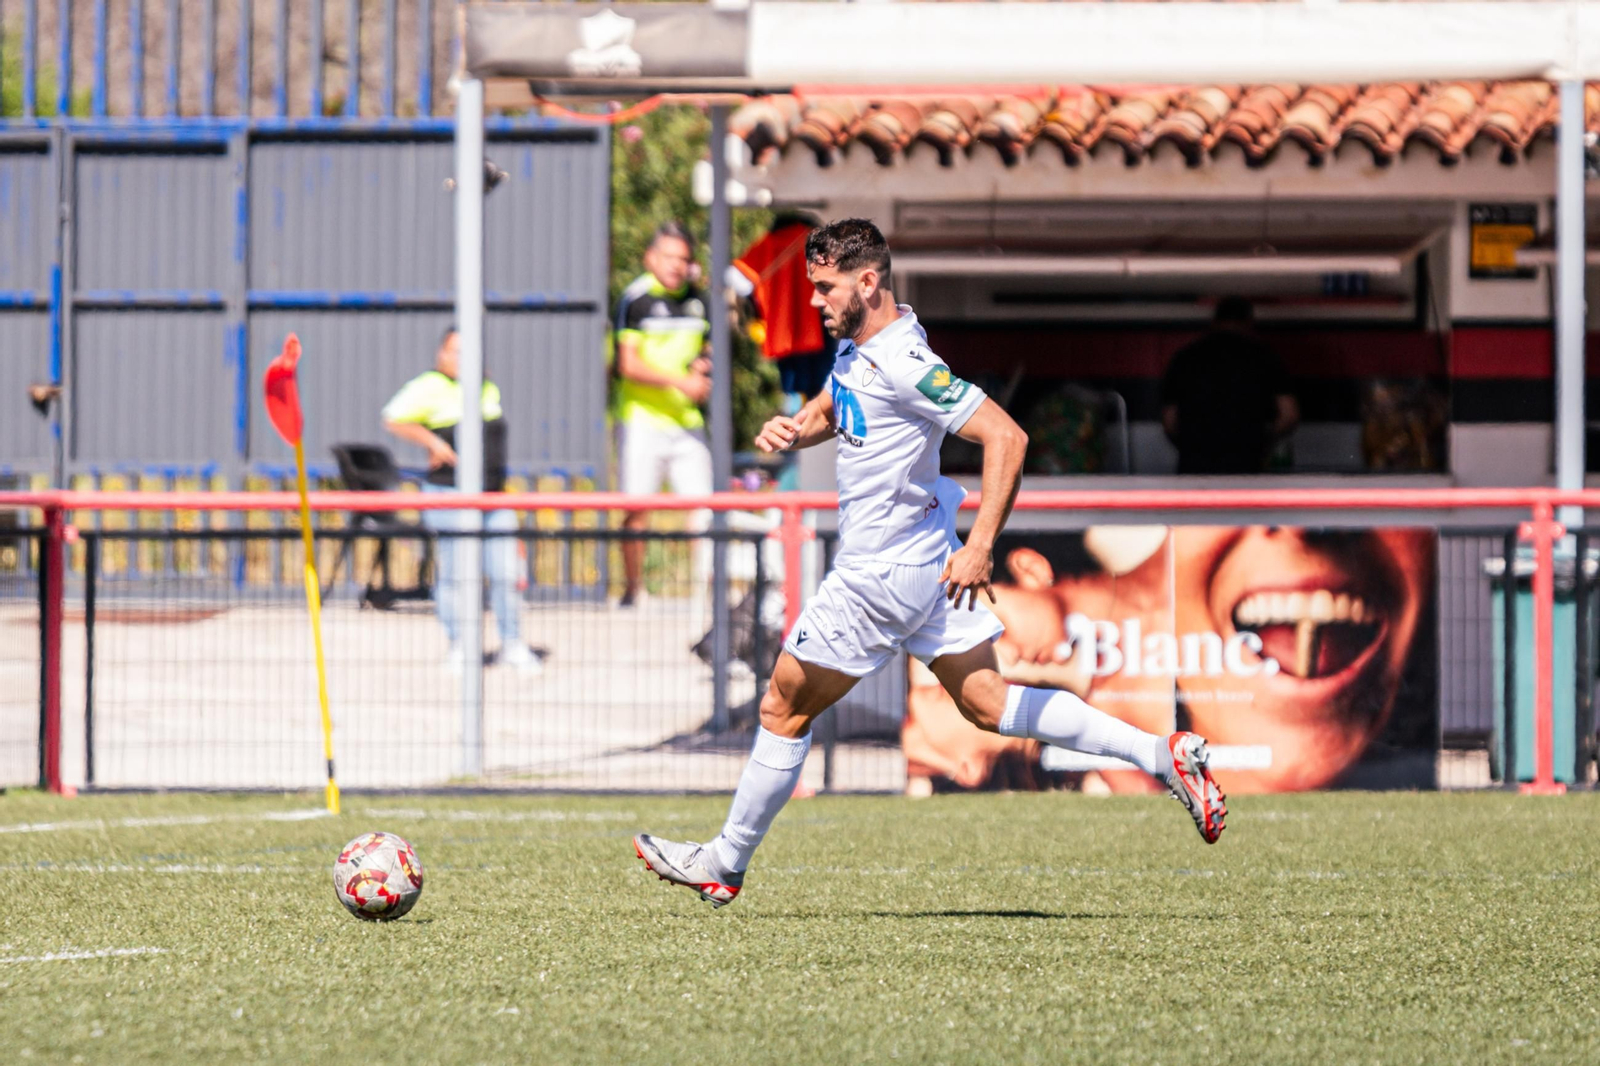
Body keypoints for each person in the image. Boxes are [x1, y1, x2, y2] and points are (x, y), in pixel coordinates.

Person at [632, 219, 1228, 908]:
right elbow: (841, 401)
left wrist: (981, 546)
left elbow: (1008, 436)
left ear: (867, 282)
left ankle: (725, 862)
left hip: (882, 575)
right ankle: (1165, 755)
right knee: (989, 703)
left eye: (825, 289)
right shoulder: (864, 345)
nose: (816, 302)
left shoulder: (907, 363)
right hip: (923, 565)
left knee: (782, 704)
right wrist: (798, 426)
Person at [381, 326, 541, 673]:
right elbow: (393, 418)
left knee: (506, 571)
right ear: (442, 354)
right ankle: (460, 645)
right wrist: (433, 443)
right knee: (455, 573)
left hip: (493, 494)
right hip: (450, 493)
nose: (462, 359)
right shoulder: (430, 386)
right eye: (455, 352)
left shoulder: (486, 386)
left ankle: (511, 642)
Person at [613, 222, 713, 608]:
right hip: (643, 421)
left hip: (687, 423)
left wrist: (703, 367)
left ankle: (705, 595)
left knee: (706, 511)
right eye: (669, 257)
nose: (676, 266)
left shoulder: (699, 299)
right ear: (651, 258)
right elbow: (628, 364)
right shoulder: (635, 299)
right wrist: (679, 382)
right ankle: (634, 591)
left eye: (683, 258)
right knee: (637, 509)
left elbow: (707, 348)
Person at [1160, 297, 1299, 474]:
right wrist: (1262, 441)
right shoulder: (1264, 357)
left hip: (1195, 465)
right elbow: (1289, 415)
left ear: (1215, 321)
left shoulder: (1185, 358)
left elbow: (1170, 420)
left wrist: (1192, 446)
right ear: (1249, 322)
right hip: (1246, 462)